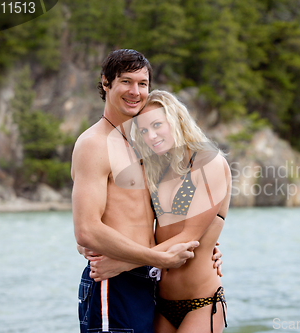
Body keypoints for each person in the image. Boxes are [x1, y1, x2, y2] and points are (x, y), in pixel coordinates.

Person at [72, 49, 220, 333]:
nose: (135, 91)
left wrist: (207, 248)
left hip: (148, 281)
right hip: (113, 284)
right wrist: (160, 259)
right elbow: (86, 231)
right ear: (106, 83)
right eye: (126, 82)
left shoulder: (144, 147)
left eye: (142, 83)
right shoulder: (95, 144)